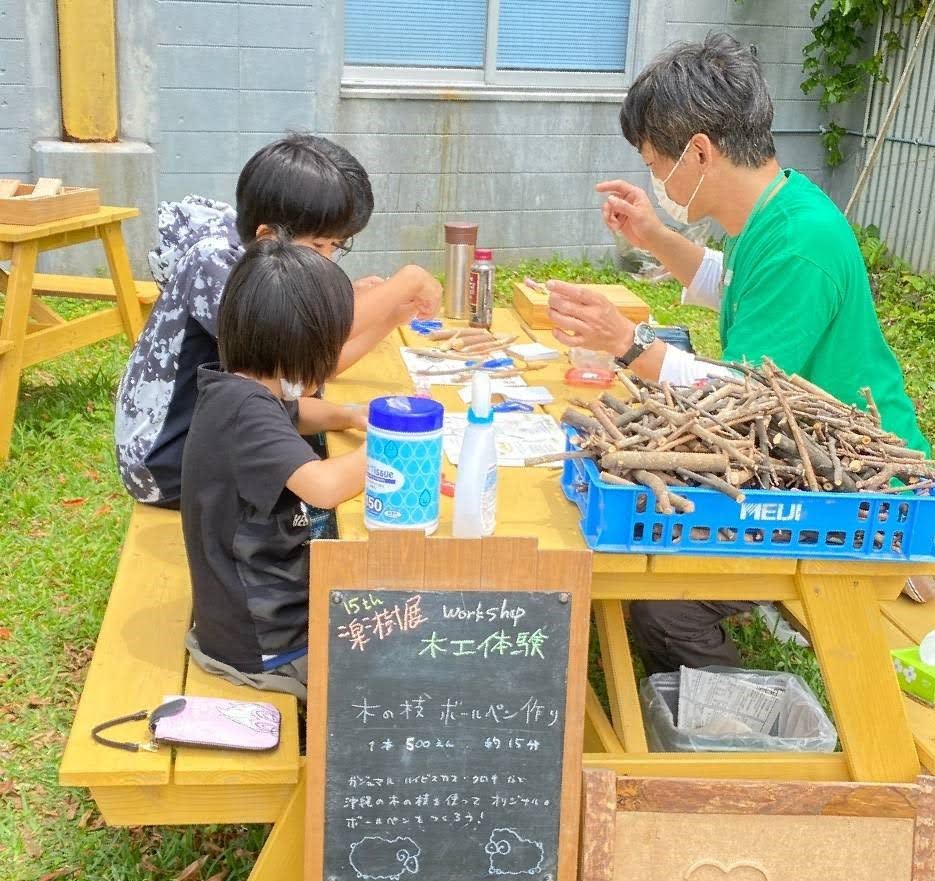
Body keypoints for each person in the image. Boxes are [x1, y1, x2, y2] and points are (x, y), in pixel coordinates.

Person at [546, 33, 931, 674]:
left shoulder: (801, 243)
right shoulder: (780, 210)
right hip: (802, 454)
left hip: (858, 491)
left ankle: (740, 723)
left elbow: (739, 397)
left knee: (664, 607)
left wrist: (627, 344)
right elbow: (729, 282)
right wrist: (655, 235)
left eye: (654, 161)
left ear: (698, 151)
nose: (655, 179)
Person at [116, 133, 441, 508]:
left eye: (335, 246)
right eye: (319, 246)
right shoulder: (220, 264)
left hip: (216, 430)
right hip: (168, 463)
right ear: (268, 234)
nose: (327, 260)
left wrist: (389, 315)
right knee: (344, 494)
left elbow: (308, 371)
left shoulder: (255, 256)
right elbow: (305, 358)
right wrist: (406, 282)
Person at [181, 238, 364, 701]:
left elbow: (295, 411)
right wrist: (402, 444)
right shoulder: (248, 412)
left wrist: (349, 415)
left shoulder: (234, 390)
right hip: (266, 642)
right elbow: (323, 488)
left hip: (240, 614)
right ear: (306, 345)